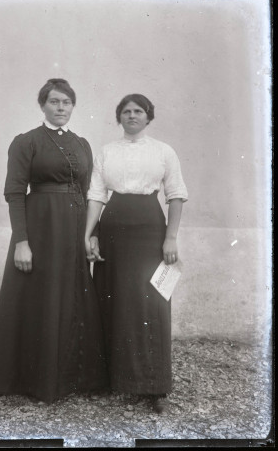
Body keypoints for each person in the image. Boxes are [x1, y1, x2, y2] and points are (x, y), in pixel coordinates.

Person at [0, 78, 108, 404]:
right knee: (44, 299)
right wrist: (22, 241)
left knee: (73, 297)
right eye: (54, 102)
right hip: (41, 229)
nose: (61, 108)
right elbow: (14, 193)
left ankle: (77, 378)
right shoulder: (27, 142)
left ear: (72, 106)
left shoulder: (82, 144)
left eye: (66, 102)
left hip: (74, 228)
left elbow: (88, 191)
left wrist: (89, 234)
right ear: (43, 105)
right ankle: (37, 379)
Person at [84, 94, 188, 413]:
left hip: (149, 230)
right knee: (110, 299)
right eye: (126, 111)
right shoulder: (107, 152)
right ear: (119, 117)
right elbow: (97, 195)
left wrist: (171, 238)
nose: (132, 116)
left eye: (138, 111)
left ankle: (153, 388)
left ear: (148, 117)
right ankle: (110, 380)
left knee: (150, 304)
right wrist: (88, 235)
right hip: (113, 229)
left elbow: (176, 195)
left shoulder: (163, 151)